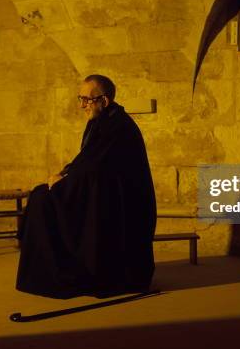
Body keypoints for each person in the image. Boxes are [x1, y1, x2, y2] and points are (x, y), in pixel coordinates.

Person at [16, 75, 157, 299]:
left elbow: (94, 167)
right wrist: (64, 173)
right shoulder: (103, 121)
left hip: (118, 205)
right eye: (80, 99)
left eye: (87, 100)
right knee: (42, 194)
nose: (82, 105)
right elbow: (87, 159)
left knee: (43, 200)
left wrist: (64, 183)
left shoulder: (117, 126)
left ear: (105, 100)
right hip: (102, 195)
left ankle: (59, 273)